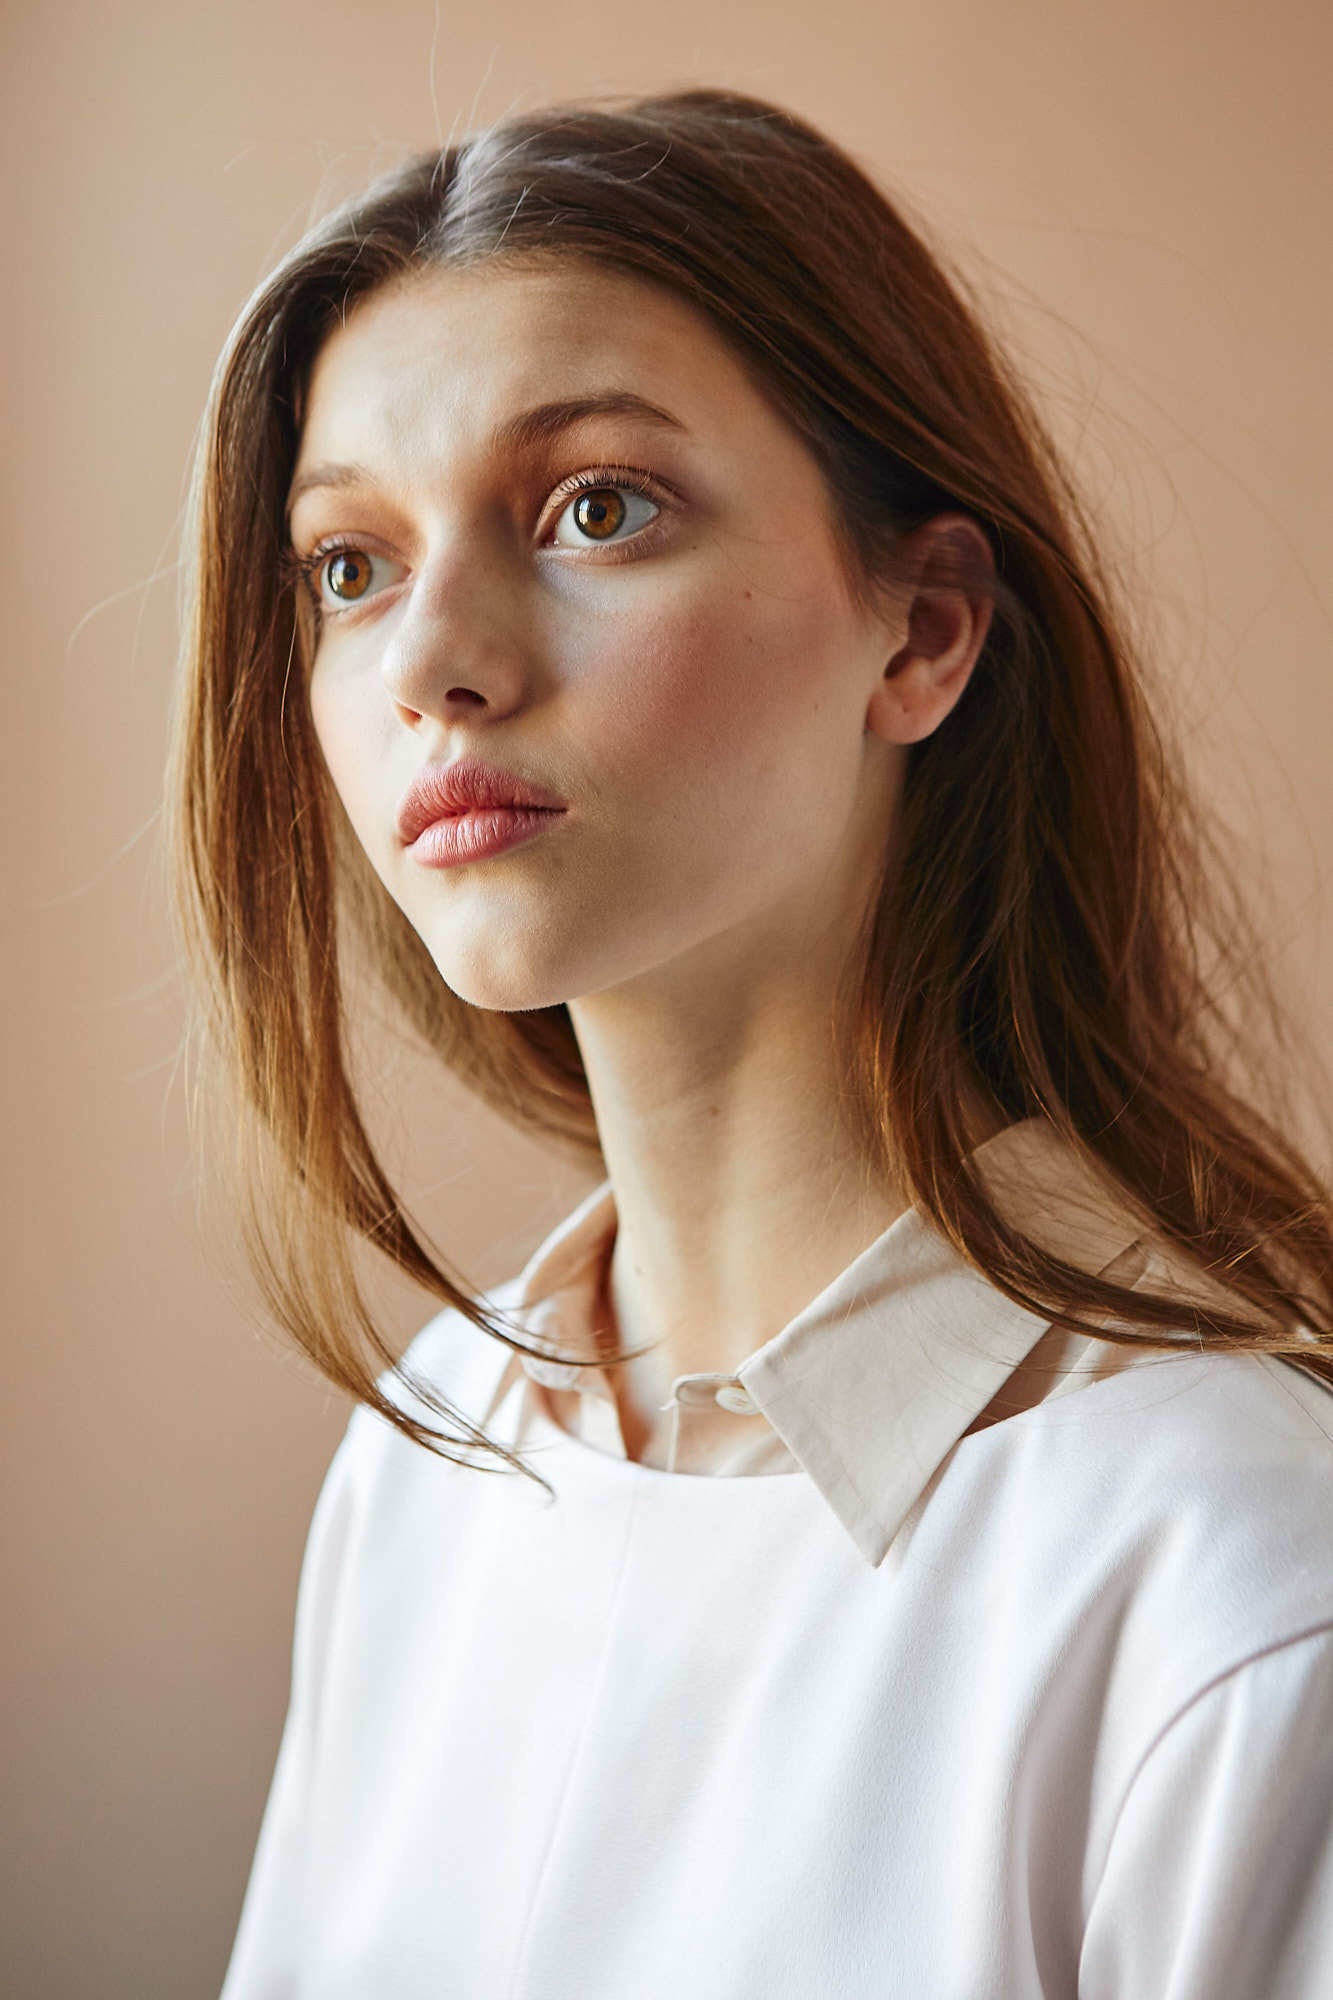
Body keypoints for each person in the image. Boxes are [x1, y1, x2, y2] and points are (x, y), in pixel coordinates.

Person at [167, 89, 1333, 1998]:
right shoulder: (433, 1460)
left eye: (592, 510)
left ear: (924, 629)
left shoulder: (1233, 1588)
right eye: (347, 565)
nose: (428, 661)